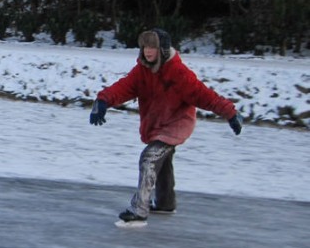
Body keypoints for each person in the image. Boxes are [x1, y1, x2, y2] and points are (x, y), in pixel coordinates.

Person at [89, 28, 243, 227]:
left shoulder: (178, 73)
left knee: (150, 158)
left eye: (152, 46)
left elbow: (204, 95)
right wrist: (103, 101)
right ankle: (165, 202)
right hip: (157, 124)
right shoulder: (142, 70)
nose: (148, 51)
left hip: (176, 124)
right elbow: (124, 87)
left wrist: (230, 113)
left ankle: (139, 210)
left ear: (162, 49)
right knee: (163, 162)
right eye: (145, 46)